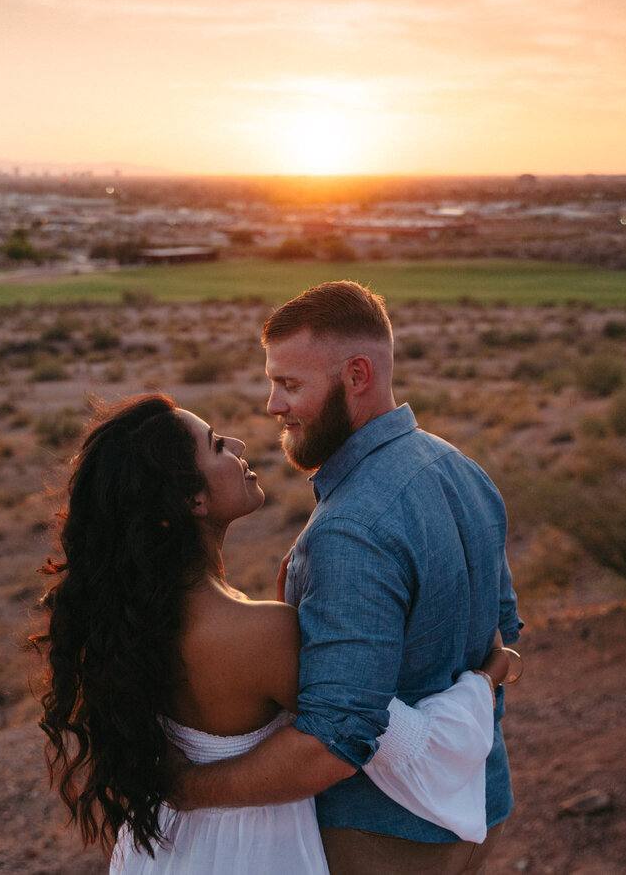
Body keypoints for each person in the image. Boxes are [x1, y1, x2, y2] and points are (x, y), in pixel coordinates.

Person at [34, 394, 515, 874]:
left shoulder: (139, 616)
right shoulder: (260, 632)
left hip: (169, 850)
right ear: (192, 499)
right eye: (218, 445)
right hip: (253, 852)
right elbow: (407, 746)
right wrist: (486, 678)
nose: (240, 443)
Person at [170, 281, 523, 874]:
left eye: (290, 384)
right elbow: (504, 628)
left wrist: (186, 790)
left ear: (357, 375)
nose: (273, 405)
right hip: (479, 810)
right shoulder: (459, 467)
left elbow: (331, 746)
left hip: (380, 837)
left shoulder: (352, 528)